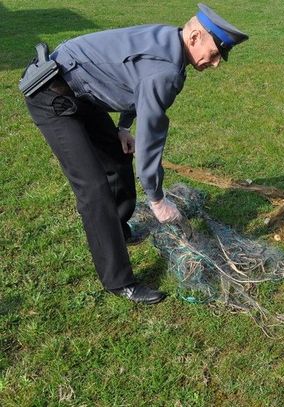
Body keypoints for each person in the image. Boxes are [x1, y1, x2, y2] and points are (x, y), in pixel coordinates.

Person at [23, 3, 248, 304]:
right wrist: (157, 199)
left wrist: (123, 127)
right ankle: (119, 281)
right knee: (93, 189)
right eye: (217, 51)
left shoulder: (170, 39)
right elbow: (152, 138)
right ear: (195, 36)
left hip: (81, 91)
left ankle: (119, 228)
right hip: (51, 94)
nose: (217, 62)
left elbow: (130, 81)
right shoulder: (167, 69)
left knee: (117, 157)